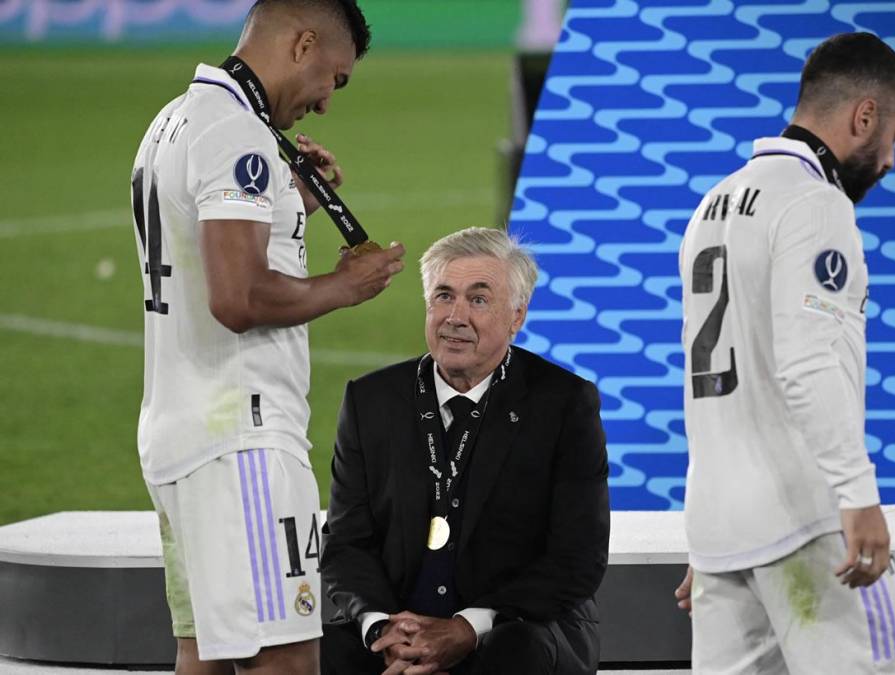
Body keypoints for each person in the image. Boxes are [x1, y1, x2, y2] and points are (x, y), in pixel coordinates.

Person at [130, 1, 405, 673]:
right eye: (332, 79)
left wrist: (287, 206)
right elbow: (238, 296)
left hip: (179, 430)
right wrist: (348, 283)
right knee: (282, 657)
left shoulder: (172, 119)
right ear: (302, 43)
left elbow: (208, 251)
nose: (325, 103)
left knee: (203, 653)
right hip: (241, 439)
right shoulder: (236, 133)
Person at [675, 33, 895, 673]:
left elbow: (717, 381)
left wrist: (715, 538)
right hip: (808, 522)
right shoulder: (815, 203)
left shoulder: (713, 205)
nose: (891, 157)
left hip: (722, 533)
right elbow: (808, 364)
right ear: (862, 115)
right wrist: (857, 495)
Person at [319, 227, 610, 675]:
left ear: (516, 316)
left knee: (515, 652)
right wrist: (381, 628)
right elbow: (346, 543)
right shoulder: (371, 401)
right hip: (398, 624)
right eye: (443, 296)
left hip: (512, 624)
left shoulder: (563, 402)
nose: (455, 316)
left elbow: (577, 558)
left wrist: (468, 627)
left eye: (478, 299)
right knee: (318, 655)